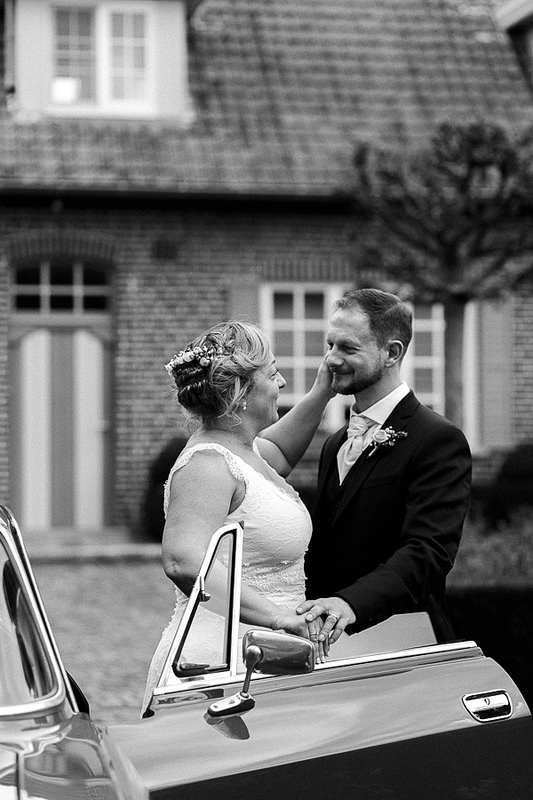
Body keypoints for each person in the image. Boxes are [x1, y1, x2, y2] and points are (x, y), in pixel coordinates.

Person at [142, 320, 333, 714]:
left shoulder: (248, 452)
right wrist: (278, 618)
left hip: (263, 657)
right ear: (242, 390)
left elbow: (280, 449)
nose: (281, 382)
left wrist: (323, 391)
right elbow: (183, 559)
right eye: (273, 372)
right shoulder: (207, 464)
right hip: (218, 664)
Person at [297, 288, 472, 646]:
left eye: (347, 348)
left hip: (404, 638)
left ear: (391, 352)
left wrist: (350, 603)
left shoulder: (438, 439)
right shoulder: (335, 443)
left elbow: (428, 552)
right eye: (329, 345)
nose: (331, 359)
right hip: (330, 640)